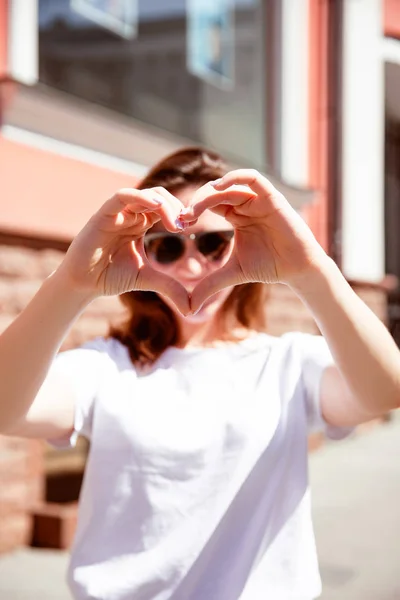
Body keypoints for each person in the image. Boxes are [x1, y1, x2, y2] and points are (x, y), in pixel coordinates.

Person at [0, 146, 399, 600]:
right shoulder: (109, 364)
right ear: (143, 252)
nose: (192, 266)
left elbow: (385, 390)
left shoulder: (287, 362)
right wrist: (71, 284)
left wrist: (309, 268)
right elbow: (4, 410)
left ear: (241, 243)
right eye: (167, 245)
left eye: (213, 243)